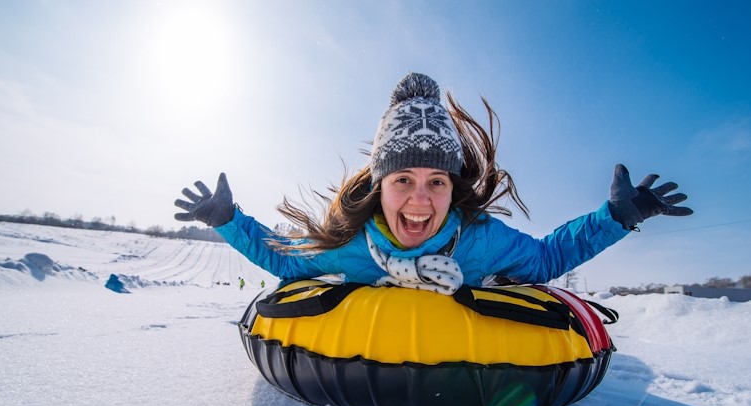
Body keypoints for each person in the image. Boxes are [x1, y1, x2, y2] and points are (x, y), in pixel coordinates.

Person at [174, 73, 692, 295]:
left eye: (436, 181)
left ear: (452, 187)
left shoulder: (479, 241)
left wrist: (618, 218)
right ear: (379, 186)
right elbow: (287, 260)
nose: (420, 199)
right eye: (402, 178)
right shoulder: (355, 246)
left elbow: (547, 259)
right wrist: (228, 221)